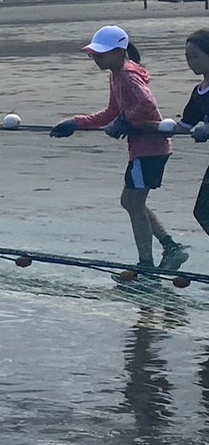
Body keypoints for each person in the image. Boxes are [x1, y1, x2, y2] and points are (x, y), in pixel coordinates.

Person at [51, 25, 189, 276]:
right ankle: (171, 247)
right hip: (144, 149)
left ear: (119, 52)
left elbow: (146, 104)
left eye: (101, 54)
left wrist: (124, 121)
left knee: (134, 204)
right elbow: (111, 113)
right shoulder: (116, 75)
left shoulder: (126, 74)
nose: (96, 58)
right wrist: (77, 123)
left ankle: (147, 263)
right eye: (94, 54)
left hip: (149, 148)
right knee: (130, 201)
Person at [171, 28, 209, 241]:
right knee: (203, 212)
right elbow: (183, 126)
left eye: (195, 57)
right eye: (187, 58)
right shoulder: (198, 92)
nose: (191, 62)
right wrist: (140, 126)